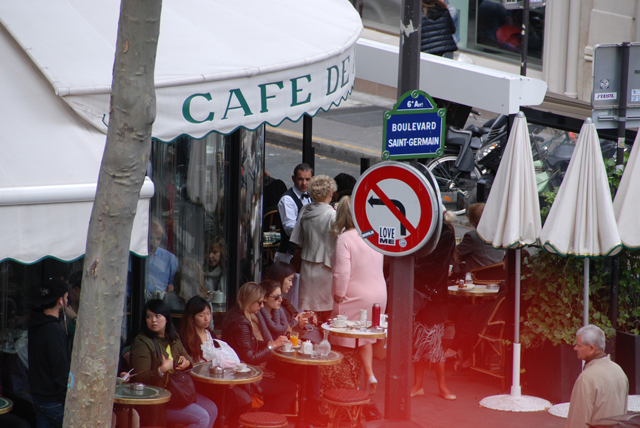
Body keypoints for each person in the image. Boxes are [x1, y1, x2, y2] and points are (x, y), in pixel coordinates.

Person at [130, 299, 218, 428]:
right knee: (202, 417)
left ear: (166, 318)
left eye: (157, 316)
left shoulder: (172, 337)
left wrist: (185, 363)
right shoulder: (142, 342)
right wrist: (161, 370)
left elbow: (188, 358)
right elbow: (140, 378)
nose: (153, 320)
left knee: (212, 409)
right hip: (157, 400)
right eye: (149, 316)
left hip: (177, 392)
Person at [331, 196, 387, 394]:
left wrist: (338, 296)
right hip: (379, 293)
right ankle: (369, 374)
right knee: (365, 337)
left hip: (355, 294)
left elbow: (342, 273)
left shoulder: (345, 239)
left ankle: (350, 384)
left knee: (344, 339)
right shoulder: (373, 235)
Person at [256, 280, 327, 424]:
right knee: (307, 372)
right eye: (276, 297)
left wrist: (299, 326)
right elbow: (261, 345)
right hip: (269, 363)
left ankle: (308, 413)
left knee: (310, 367)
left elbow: (289, 335)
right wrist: (279, 343)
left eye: (281, 296)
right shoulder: (258, 318)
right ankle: (309, 413)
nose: (281, 300)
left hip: (282, 360)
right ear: (265, 298)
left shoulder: (278, 313)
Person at [220, 282, 297, 414]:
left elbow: (250, 344)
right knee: (291, 387)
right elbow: (250, 358)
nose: (261, 306)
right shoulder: (241, 322)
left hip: (238, 371)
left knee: (285, 380)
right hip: (242, 376)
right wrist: (272, 346)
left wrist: (271, 343)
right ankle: (266, 420)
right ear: (250, 301)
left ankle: (263, 417)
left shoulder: (236, 313)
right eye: (259, 302)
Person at [179, 296, 251, 428]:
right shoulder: (185, 338)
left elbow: (218, 359)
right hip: (198, 383)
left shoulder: (209, 334)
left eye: (208, 314)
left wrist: (229, 379)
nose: (206, 318)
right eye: (202, 315)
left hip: (215, 380)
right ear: (192, 317)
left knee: (245, 399)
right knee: (227, 398)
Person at [411, 211, 457, 400]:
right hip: (422, 296)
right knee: (419, 341)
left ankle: (440, 385)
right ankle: (419, 385)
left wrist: (412, 269)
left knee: (434, 343)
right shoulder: (428, 232)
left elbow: (438, 268)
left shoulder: (444, 235)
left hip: (432, 297)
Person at [290, 175, 338, 322]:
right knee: (327, 313)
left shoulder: (305, 210)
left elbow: (297, 240)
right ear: (330, 193)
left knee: (308, 314)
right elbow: (342, 241)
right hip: (326, 267)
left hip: (307, 266)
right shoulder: (332, 214)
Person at [28, 278, 71, 428]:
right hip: (55, 401)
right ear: (60, 301)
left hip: (39, 398)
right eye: (66, 297)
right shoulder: (54, 331)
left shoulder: (35, 324)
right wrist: (68, 400)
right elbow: (60, 371)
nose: (67, 301)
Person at [566, 325, 628, 428]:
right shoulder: (619, 371)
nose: (575, 348)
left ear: (592, 348)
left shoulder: (586, 378)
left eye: (579, 345)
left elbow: (578, 421)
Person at [274, 163, 313, 264]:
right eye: (300, 179)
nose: (304, 183)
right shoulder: (287, 199)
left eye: (307, 179)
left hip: (303, 254)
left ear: (312, 179)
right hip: (288, 255)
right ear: (293, 178)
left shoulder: (311, 196)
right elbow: (290, 229)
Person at [456, 203, 505, 274]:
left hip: (479, 275)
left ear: (471, 220)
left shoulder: (472, 236)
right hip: (499, 273)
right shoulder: (498, 234)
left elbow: (456, 254)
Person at [146, 220, 179, 307]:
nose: (154, 243)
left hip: (161, 304)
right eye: (151, 238)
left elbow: (173, 286)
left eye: (158, 239)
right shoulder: (133, 256)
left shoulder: (170, 259)